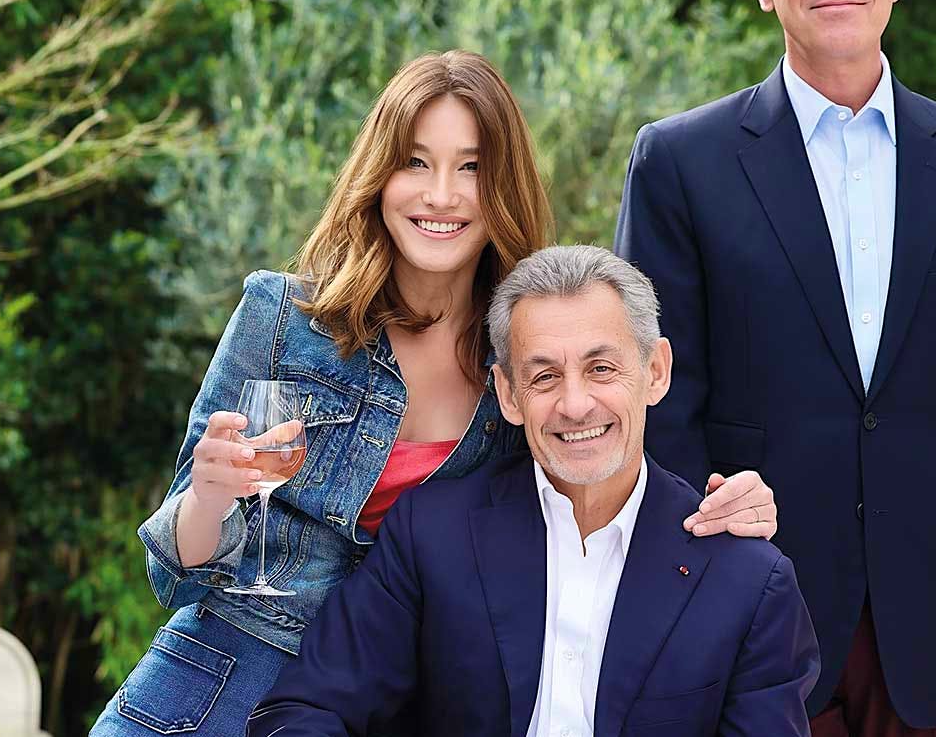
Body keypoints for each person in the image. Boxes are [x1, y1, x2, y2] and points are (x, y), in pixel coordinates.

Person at [93, 53, 778, 736]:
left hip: (387, 701)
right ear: (379, 175)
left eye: (471, 167)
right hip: (214, 687)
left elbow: (607, 478)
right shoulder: (282, 317)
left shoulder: (525, 361)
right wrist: (210, 496)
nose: (441, 195)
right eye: (416, 163)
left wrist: (731, 508)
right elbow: (174, 577)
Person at [614, 0, 936, 737]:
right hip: (750, 593)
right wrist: (716, 530)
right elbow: (657, 383)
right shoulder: (680, 162)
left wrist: (925, 483)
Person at [248, 245, 819, 737]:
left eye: (601, 369)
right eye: (544, 376)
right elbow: (304, 709)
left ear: (656, 371)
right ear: (508, 393)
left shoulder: (749, 580)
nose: (574, 404)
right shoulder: (432, 535)